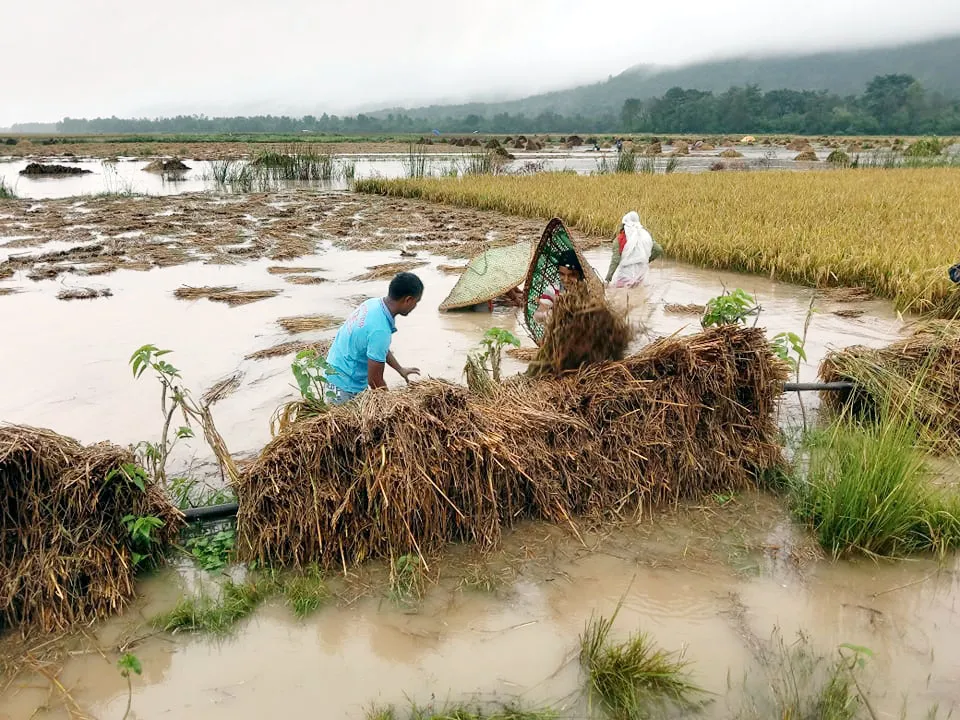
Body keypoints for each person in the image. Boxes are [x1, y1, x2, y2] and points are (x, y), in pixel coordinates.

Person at [324, 272, 423, 405]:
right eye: (416, 302)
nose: (415, 307)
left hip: (334, 369)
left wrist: (400, 369)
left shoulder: (373, 304)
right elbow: (375, 381)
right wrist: (392, 405)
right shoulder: (380, 330)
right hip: (344, 385)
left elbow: (377, 348)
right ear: (408, 300)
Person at [605, 211, 662, 288]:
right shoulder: (645, 235)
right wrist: (645, 260)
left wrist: (608, 279)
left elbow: (615, 260)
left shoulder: (620, 239)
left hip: (625, 275)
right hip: (641, 274)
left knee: (619, 293)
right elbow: (658, 249)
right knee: (640, 293)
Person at [534, 249, 585, 323]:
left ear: (581, 274)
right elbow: (537, 316)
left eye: (572, 275)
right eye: (562, 274)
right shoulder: (554, 289)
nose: (566, 280)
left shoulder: (589, 290)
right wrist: (548, 314)